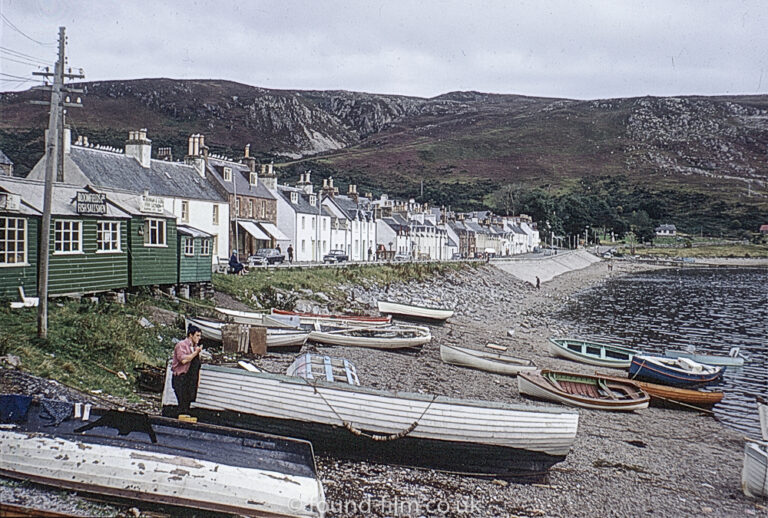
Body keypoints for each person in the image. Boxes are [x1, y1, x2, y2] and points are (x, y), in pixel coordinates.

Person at [172, 325, 203, 415]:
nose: (199, 338)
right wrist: (195, 353)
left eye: (200, 336)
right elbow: (184, 360)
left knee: (188, 403)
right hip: (180, 377)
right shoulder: (181, 345)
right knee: (182, 403)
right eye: (197, 335)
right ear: (190, 335)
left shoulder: (194, 347)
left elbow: (197, 366)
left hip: (189, 379)